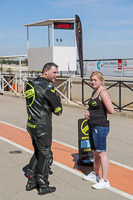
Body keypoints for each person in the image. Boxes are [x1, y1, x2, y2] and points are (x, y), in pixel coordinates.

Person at [25, 62, 62, 195]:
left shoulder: (30, 83)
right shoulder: (47, 87)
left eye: (57, 72)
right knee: (45, 154)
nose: (56, 75)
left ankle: (31, 181)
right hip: (42, 126)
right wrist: (56, 101)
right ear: (46, 71)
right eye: (54, 72)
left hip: (31, 124)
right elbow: (58, 109)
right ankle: (42, 184)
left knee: (37, 152)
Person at [83, 71, 114, 189]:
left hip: (100, 126)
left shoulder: (103, 92)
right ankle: (95, 174)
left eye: (95, 80)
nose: (92, 82)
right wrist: (88, 111)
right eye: (91, 80)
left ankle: (105, 180)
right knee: (95, 152)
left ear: (101, 80)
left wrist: (96, 112)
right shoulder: (94, 92)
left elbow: (111, 110)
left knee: (102, 153)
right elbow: (92, 106)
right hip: (92, 125)